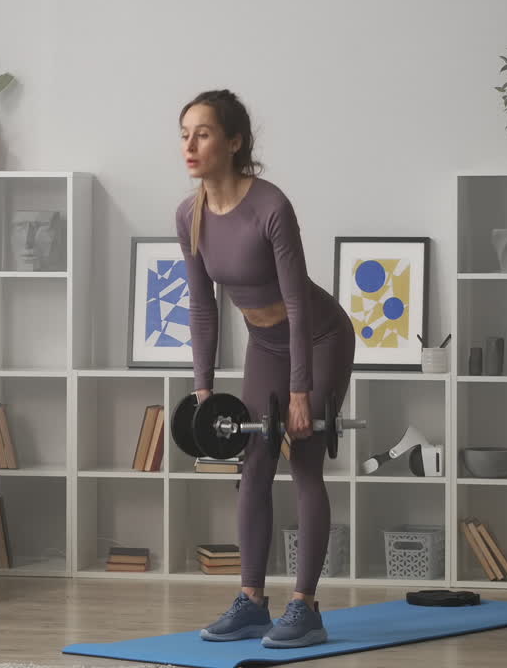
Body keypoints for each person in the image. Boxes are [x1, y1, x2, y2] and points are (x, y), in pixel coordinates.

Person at [175, 89, 355, 649]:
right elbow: (202, 305)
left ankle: (306, 608)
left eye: (202, 133)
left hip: (318, 337)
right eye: (183, 134)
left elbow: (299, 304)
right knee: (252, 461)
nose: (189, 145)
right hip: (263, 343)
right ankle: (252, 602)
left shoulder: (271, 206)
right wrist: (203, 387)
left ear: (233, 141)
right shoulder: (190, 214)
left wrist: (301, 392)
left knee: (302, 458)